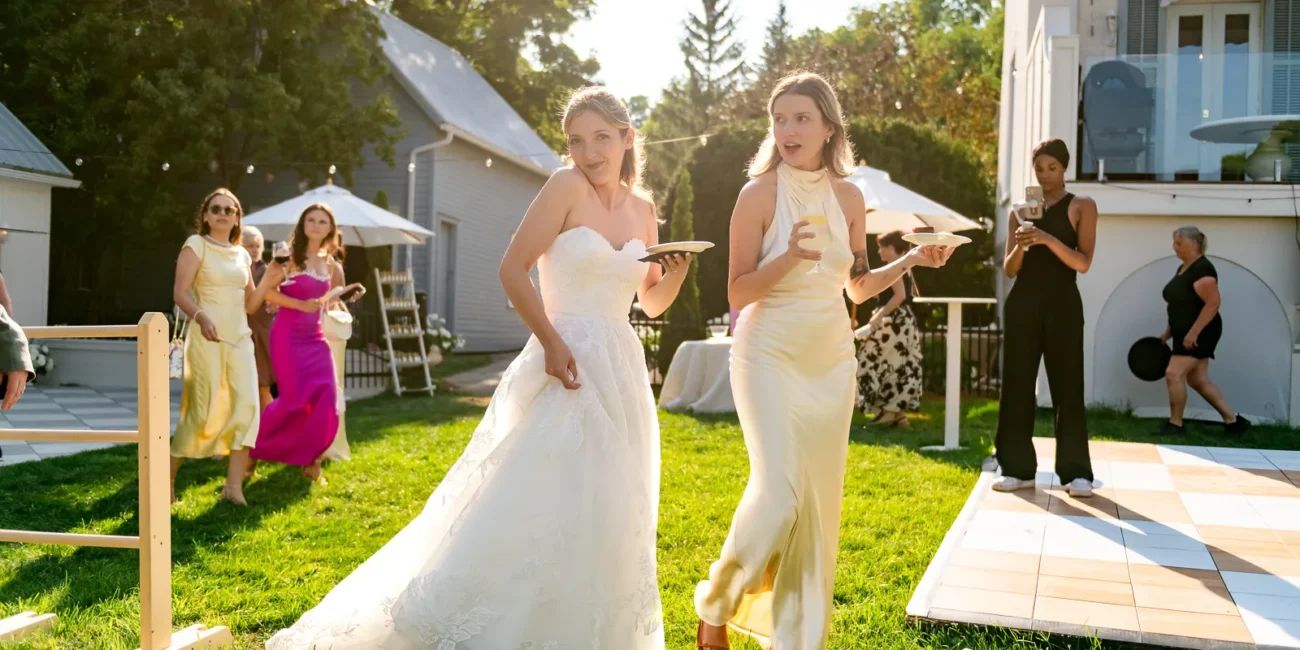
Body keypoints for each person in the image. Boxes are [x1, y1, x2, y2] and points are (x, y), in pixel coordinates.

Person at [265, 87, 692, 650]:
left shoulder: (644, 211)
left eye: (602, 139)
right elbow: (512, 270)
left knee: (613, 506)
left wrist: (678, 273)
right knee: (542, 495)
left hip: (621, 369)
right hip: (561, 358)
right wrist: (553, 342)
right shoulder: (563, 187)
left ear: (628, 137)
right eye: (576, 141)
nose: (589, 153)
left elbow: (651, 301)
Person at [694, 72, 949, 650]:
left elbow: (856, 287)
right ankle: (715, 606)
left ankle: (797, 638)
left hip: (831, 362)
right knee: (779, 492)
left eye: (801, 118)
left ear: (829, 128)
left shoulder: (850, 197)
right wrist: (786, 258)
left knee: (816, 508)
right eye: (779, 118)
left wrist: (909, 259)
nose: (787, 129)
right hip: (768, 356)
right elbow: (735, 292)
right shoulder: (756, 195)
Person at [994, 138, 1097, 498]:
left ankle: (1076, 473)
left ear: (1064, 168)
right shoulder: (1019, 211)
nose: (1045, 174)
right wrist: (1023, 244)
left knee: (1068, 386)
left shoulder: (1082, 206)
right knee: (1017, 384)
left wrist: (1046, 238)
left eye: (1052, 167)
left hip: (1063, 303)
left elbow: (1083, 262)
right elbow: (1009, 269)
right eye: (1039, 168)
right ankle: (1017, 468)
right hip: (1023, 302)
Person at [246, 204, 361, 483]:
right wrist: (297, 303)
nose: (316, 225)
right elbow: (267, 294)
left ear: (330, 229)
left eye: (323, 221)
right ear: (303, 223)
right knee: (294, 402)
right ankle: (252, 451)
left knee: (327, 398)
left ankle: (313, 462)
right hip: (288, 337)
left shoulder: (331, 263)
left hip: (316, 339)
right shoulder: (289, 257)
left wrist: (346, 296)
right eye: (311, 220)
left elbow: (327, 301)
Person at [170, 188, 260, 505]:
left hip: (240, 340)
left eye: (229, 209)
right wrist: (202, 316)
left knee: (247, 408)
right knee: (200, 411)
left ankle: (232, 489)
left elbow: (250, 303)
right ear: (206, 215)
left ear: (237, 218)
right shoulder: (196, 246)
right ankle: (164, 480)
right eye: (216, 208)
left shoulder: (242, 254)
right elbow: (180, 293)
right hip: (207, 337)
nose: (223, 213)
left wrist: (272, 280)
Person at [1157, 226, 1249, 435]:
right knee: (1198, 380)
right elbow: (1181, 305)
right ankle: (1233, 422)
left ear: (1194, 244)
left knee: (1173, 373)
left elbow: (1213, 304)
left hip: (1201, 332)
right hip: (1185, 331)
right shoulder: (1184, 268)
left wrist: (1194, 333)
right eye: (1174, 243)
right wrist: (1168, 332)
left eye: (1179, 243)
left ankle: (1176, 424)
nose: (1175, 247)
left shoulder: (1203, 270)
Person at [854, 229, 924, 427]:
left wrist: (878, 314)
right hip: (903, 322)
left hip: (894, 323)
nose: (879, 252)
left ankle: (887, 411)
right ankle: (897, 414)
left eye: (882, 247)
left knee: (871, 360)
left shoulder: (895, 266)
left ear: (893, 248)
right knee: (898, 364)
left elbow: (900, 296)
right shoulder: (905, 267)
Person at [241, 225, 277, 412]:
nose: (254, 250)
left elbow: (280, 291)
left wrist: (277, 302)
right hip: (241, 331)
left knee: (262, 384)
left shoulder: (268, 270)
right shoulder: (237, 269)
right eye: (249, 246)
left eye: (257, 246)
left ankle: (269, 429)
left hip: (263, 333)